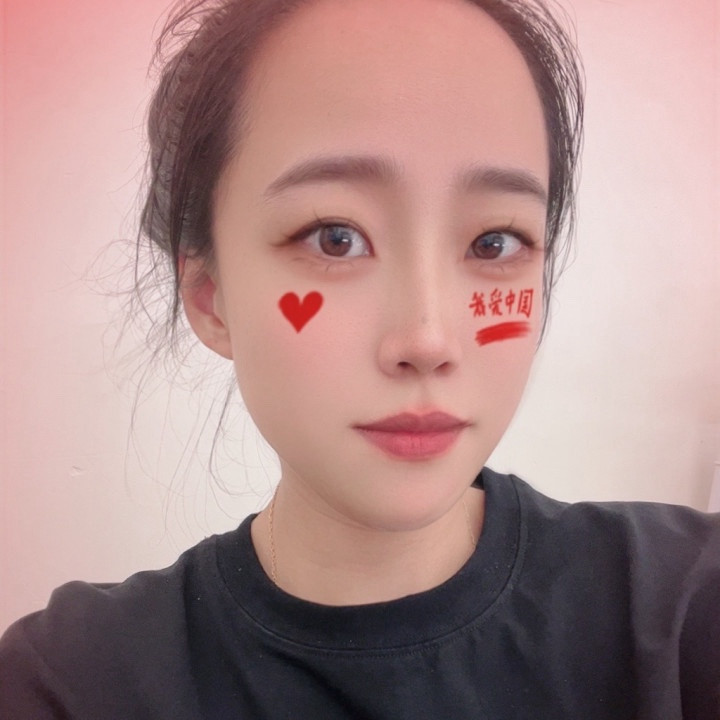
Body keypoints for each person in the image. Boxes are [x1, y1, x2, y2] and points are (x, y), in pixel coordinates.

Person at [0, 0, 718, 717]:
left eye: (494, 242)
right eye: (334, 238)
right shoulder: (74, 680)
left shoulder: (683, 605)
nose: (428, 341)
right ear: (211, 299)